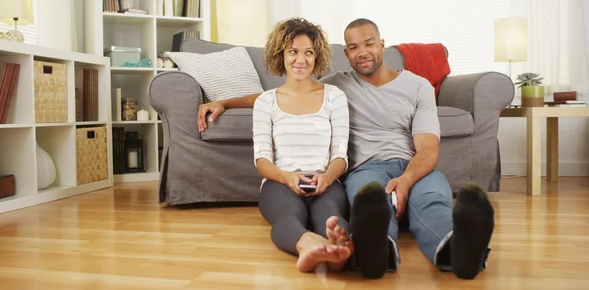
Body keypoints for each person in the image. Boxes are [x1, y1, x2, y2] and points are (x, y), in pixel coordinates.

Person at [196, 18, 495, 280]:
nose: (362, 52)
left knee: (432, 201)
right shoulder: (337, 85)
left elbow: (428, 149)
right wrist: (225, 101)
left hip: (412, 165)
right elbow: (283, 95)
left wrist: (405, 181)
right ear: (346, 54)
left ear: (382, 45)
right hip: (367, 168)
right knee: (373, 203)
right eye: (353, 47)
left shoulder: (416, 87)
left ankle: (458, 251)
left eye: (369, 43)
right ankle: (378, 255)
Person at [250, 17, 354, 273]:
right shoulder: (265, 102)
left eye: (308, 52)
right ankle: (308, 245)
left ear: (316, 56)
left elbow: (340, 155)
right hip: (279, 182)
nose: (301, 60)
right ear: (281, 55)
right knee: (288, 215)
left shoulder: (334, 97)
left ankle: (339, 250)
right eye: (293, 52)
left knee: (331, 215)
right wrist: (287, 178)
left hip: (326, 180)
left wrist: (327, 179)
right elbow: (262, 161)